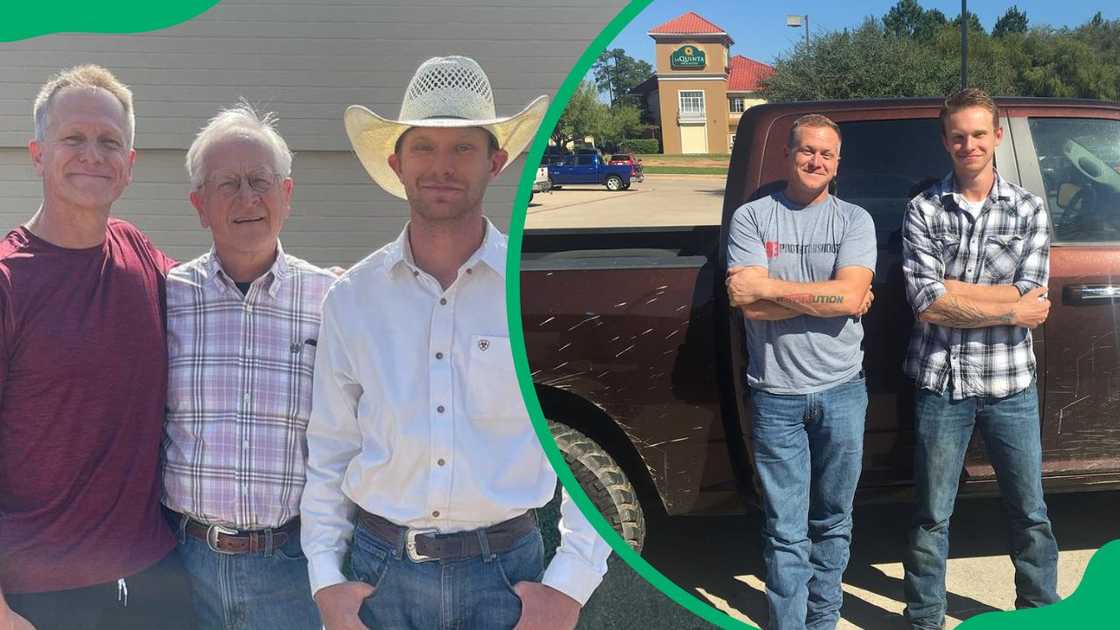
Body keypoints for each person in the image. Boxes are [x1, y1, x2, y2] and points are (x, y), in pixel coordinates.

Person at [300, 55, 611, 630]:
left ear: (496, 163)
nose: (441, 167)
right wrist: (326, 580)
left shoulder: (532, 292)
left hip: (507, 579)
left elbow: (582, 447)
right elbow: (330, 448)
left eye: (462, 148)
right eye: (424, 148)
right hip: (378, 579)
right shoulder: (352, 298)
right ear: (396, 163)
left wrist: (570, 586)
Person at [0, 65, 194, 630]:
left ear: (129, 166)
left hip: (156, 580)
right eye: (74, 138)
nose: (93, 154)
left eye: (110, 142)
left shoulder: (136, 249)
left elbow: (219, 296)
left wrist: (320, 283)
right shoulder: (9, 281)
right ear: (37, 153)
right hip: (41, 597)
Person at [162, 101, 333, 630]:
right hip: (181, 564)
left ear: (286, 194)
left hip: (291, 569)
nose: (246, 197)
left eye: (260, 180)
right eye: (227, 184)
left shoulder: (331, 300)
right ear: (199, 204)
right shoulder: (165, 299)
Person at [900, 88, 1057, 629]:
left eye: (979, 133)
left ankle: (1037, 612)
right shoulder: (923, 208)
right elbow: (926, 303)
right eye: (958, 135)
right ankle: (924, 617)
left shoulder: (1029, 208)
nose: (969, 144)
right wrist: (1008, 307)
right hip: (940, 384)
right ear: (946, 141)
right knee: (930, 516)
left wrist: (954, 293)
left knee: (1031, 512)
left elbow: (1033, 294)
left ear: (997, 136)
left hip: (1011, 383)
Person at [725, 114, 876, 630]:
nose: (816, 161)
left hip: (842, 391)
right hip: (776, 394)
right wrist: (832, 299)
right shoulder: (753, 218)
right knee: (786, 529)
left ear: (838, 164)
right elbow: (748, 304)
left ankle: (823, 620)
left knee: (833, 521)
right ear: (788, 155)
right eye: (807, 151)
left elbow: (851, 294)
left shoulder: (854, 220)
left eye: (827, 154)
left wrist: (773, 291)